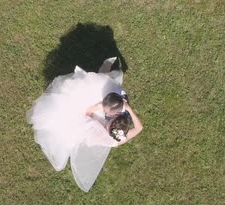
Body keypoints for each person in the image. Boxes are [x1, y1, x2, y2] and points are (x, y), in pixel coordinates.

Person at [27, 57, 142, 192]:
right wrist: (128, 108)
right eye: (112, 120)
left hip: (88, 121)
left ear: (110, 127)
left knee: (91, 93)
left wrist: (98, 107)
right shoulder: (121, 136)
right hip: (98, 117)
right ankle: (103, 73)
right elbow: (140, 128)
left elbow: (87, 113)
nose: (109, 121)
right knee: (104, 90)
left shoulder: (103, 137)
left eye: (110, 122)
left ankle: (104, 70)